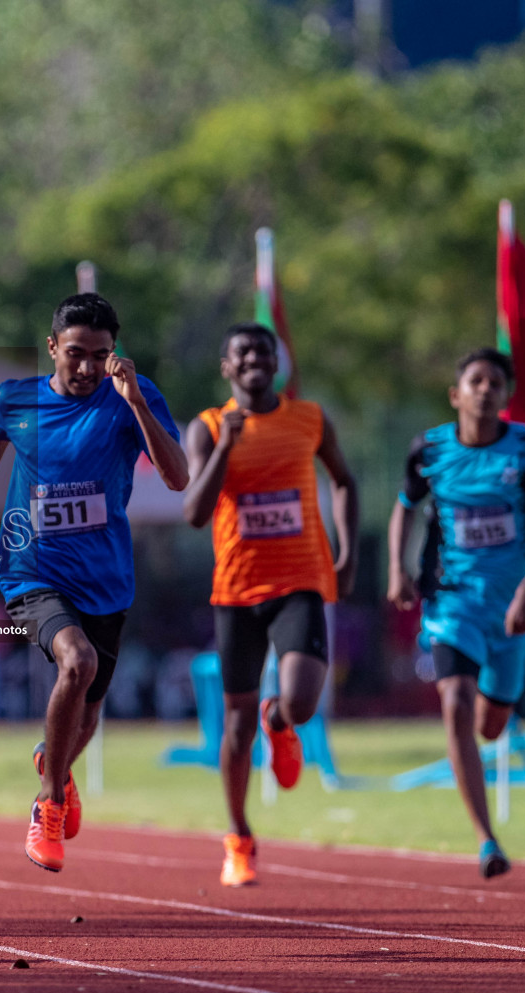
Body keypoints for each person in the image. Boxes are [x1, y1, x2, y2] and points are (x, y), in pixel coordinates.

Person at [0, 293, 187, 872]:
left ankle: (53, 760)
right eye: (75, 354)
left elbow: (177, 478)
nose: (86, 368)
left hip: (105, 577)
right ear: (51, 347)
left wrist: (136, 405)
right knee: (77, 663)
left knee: (90, 714)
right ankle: (48, 804)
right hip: (31, 568)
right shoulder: (15, 399)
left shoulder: (132, 397)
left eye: (100, 356)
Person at [183, 322, 357, 887]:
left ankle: (280, 720)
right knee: (235, 728)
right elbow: (194, 511)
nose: (255, 359)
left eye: (264, 351)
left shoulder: (308, 418)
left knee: (304, 700)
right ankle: (239, 837)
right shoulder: (209, 426)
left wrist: (348, 552)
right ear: (227, 367)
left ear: (276, 362)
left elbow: (345, 481)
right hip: (236, 589)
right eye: (243, 353)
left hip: (301, 579)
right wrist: (227, 446)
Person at [388, 347, 525, 880]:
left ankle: (495, 715)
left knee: (491, 725)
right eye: (476, 381)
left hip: (513, 608)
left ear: (507, 396)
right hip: (452, 600)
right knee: (457, 704)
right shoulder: (430, 450)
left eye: (496, 383)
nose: (486, 390)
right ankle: (487, 839)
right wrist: (398, 570)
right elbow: (403, 507)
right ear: (456, 393)